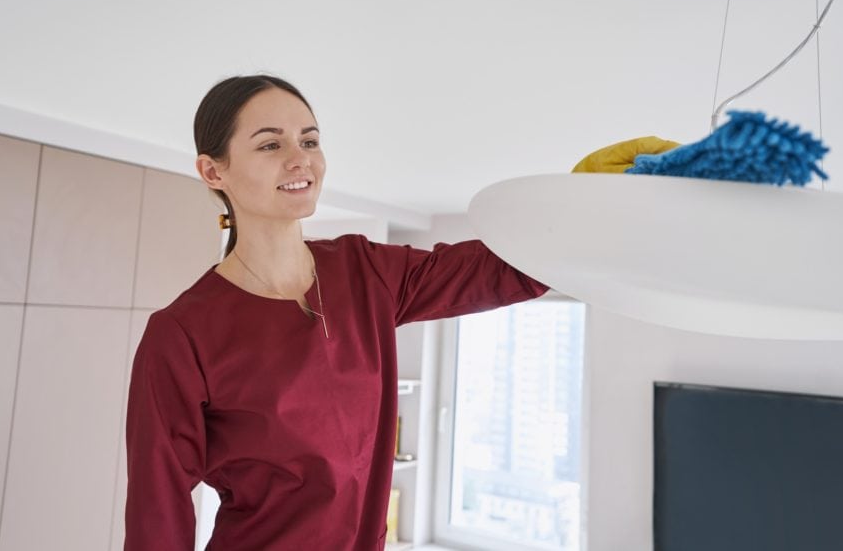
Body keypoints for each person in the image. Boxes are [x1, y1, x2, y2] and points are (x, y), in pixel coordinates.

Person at [123, 74, 550, 550]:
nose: (300, 158)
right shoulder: (181, 334)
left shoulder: (365, 271)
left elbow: (501, 270)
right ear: (213, 172)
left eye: (310, 140)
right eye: (270, 145)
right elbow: (156, 511)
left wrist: (594, 201)